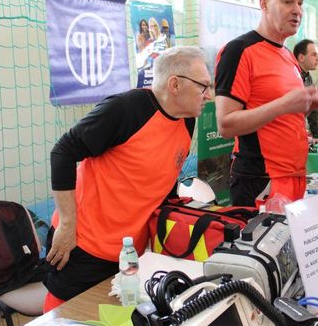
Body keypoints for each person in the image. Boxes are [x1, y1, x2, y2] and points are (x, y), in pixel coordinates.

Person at [43, 47, 212, 311]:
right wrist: (66, 225)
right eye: (203, 86)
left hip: (130, 252)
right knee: (65, 319)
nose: (209, 95)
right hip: (83, 243)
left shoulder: (187, 120)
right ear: (175, 84)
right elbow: (62, 152)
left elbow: (161, 178)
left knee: (120, 323)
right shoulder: (125, 109)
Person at [215, 0, 318, 207]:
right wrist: (285, 104)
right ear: (264, 4)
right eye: (288, 1)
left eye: (300, 3)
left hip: (294, 176)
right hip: (262, 180)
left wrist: (307, 105)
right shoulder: (239, 51)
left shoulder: (287, 55)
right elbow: (226, 125)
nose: (297, 10)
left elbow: (279, 117)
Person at [293, 38, 318, 138]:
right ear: (301, 57)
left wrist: (316, 137)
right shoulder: (291, 77)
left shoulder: (307, 77)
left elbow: (314, 112)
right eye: (314, 55)